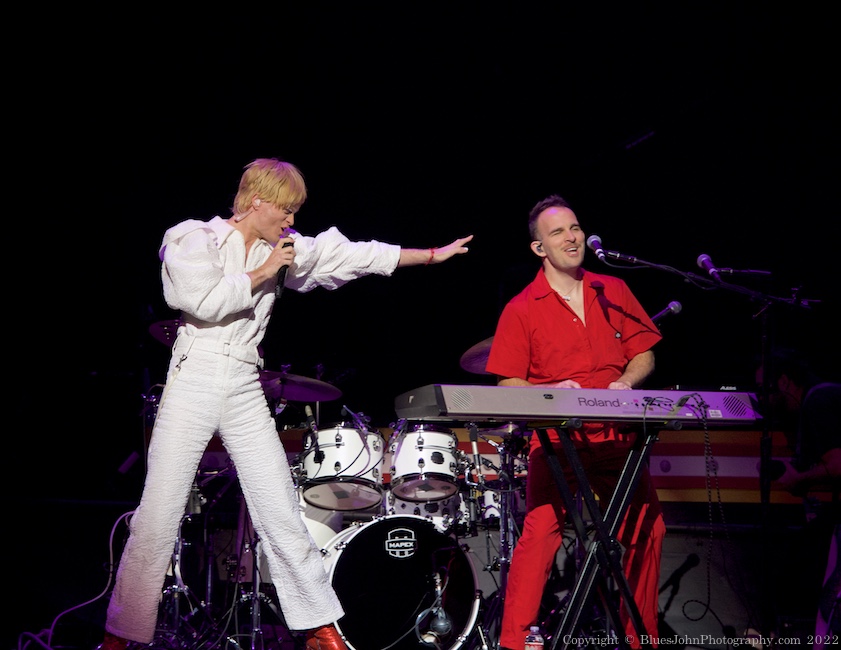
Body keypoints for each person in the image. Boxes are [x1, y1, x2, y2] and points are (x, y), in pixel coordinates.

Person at [101, 157, 473, 650]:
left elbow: (353, 256)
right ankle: (120, 635)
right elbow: (202, 301)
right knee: (158, 513)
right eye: (286, 208)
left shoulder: (284, 248)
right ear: (257, 200)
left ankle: (319, 626)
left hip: (243, 383)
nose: (292, 221)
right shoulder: (196, 237)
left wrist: (429, 255)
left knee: (280, 508)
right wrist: (263, 270)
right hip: (193, 377)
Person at [485, 195, 665, 649]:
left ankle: (640, 638)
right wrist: (548, 395)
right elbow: (507, 383)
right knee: (541, 531)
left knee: (649, 527)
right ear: (539, 248)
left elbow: (644, 353)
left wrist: (626, 381)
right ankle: (516, 640)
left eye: (576, 227)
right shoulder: (522, 307)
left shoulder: (612, 290)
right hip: (557, 439)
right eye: (559, 232)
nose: (572, 237)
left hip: (615, 435)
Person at [764, 349, 841, 647]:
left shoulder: (817, 400)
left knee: (832, 602)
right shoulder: (829, 395)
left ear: (783, 381)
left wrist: (798, 480)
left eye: (765, 390)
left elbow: (837, 466)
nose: (764, 401)